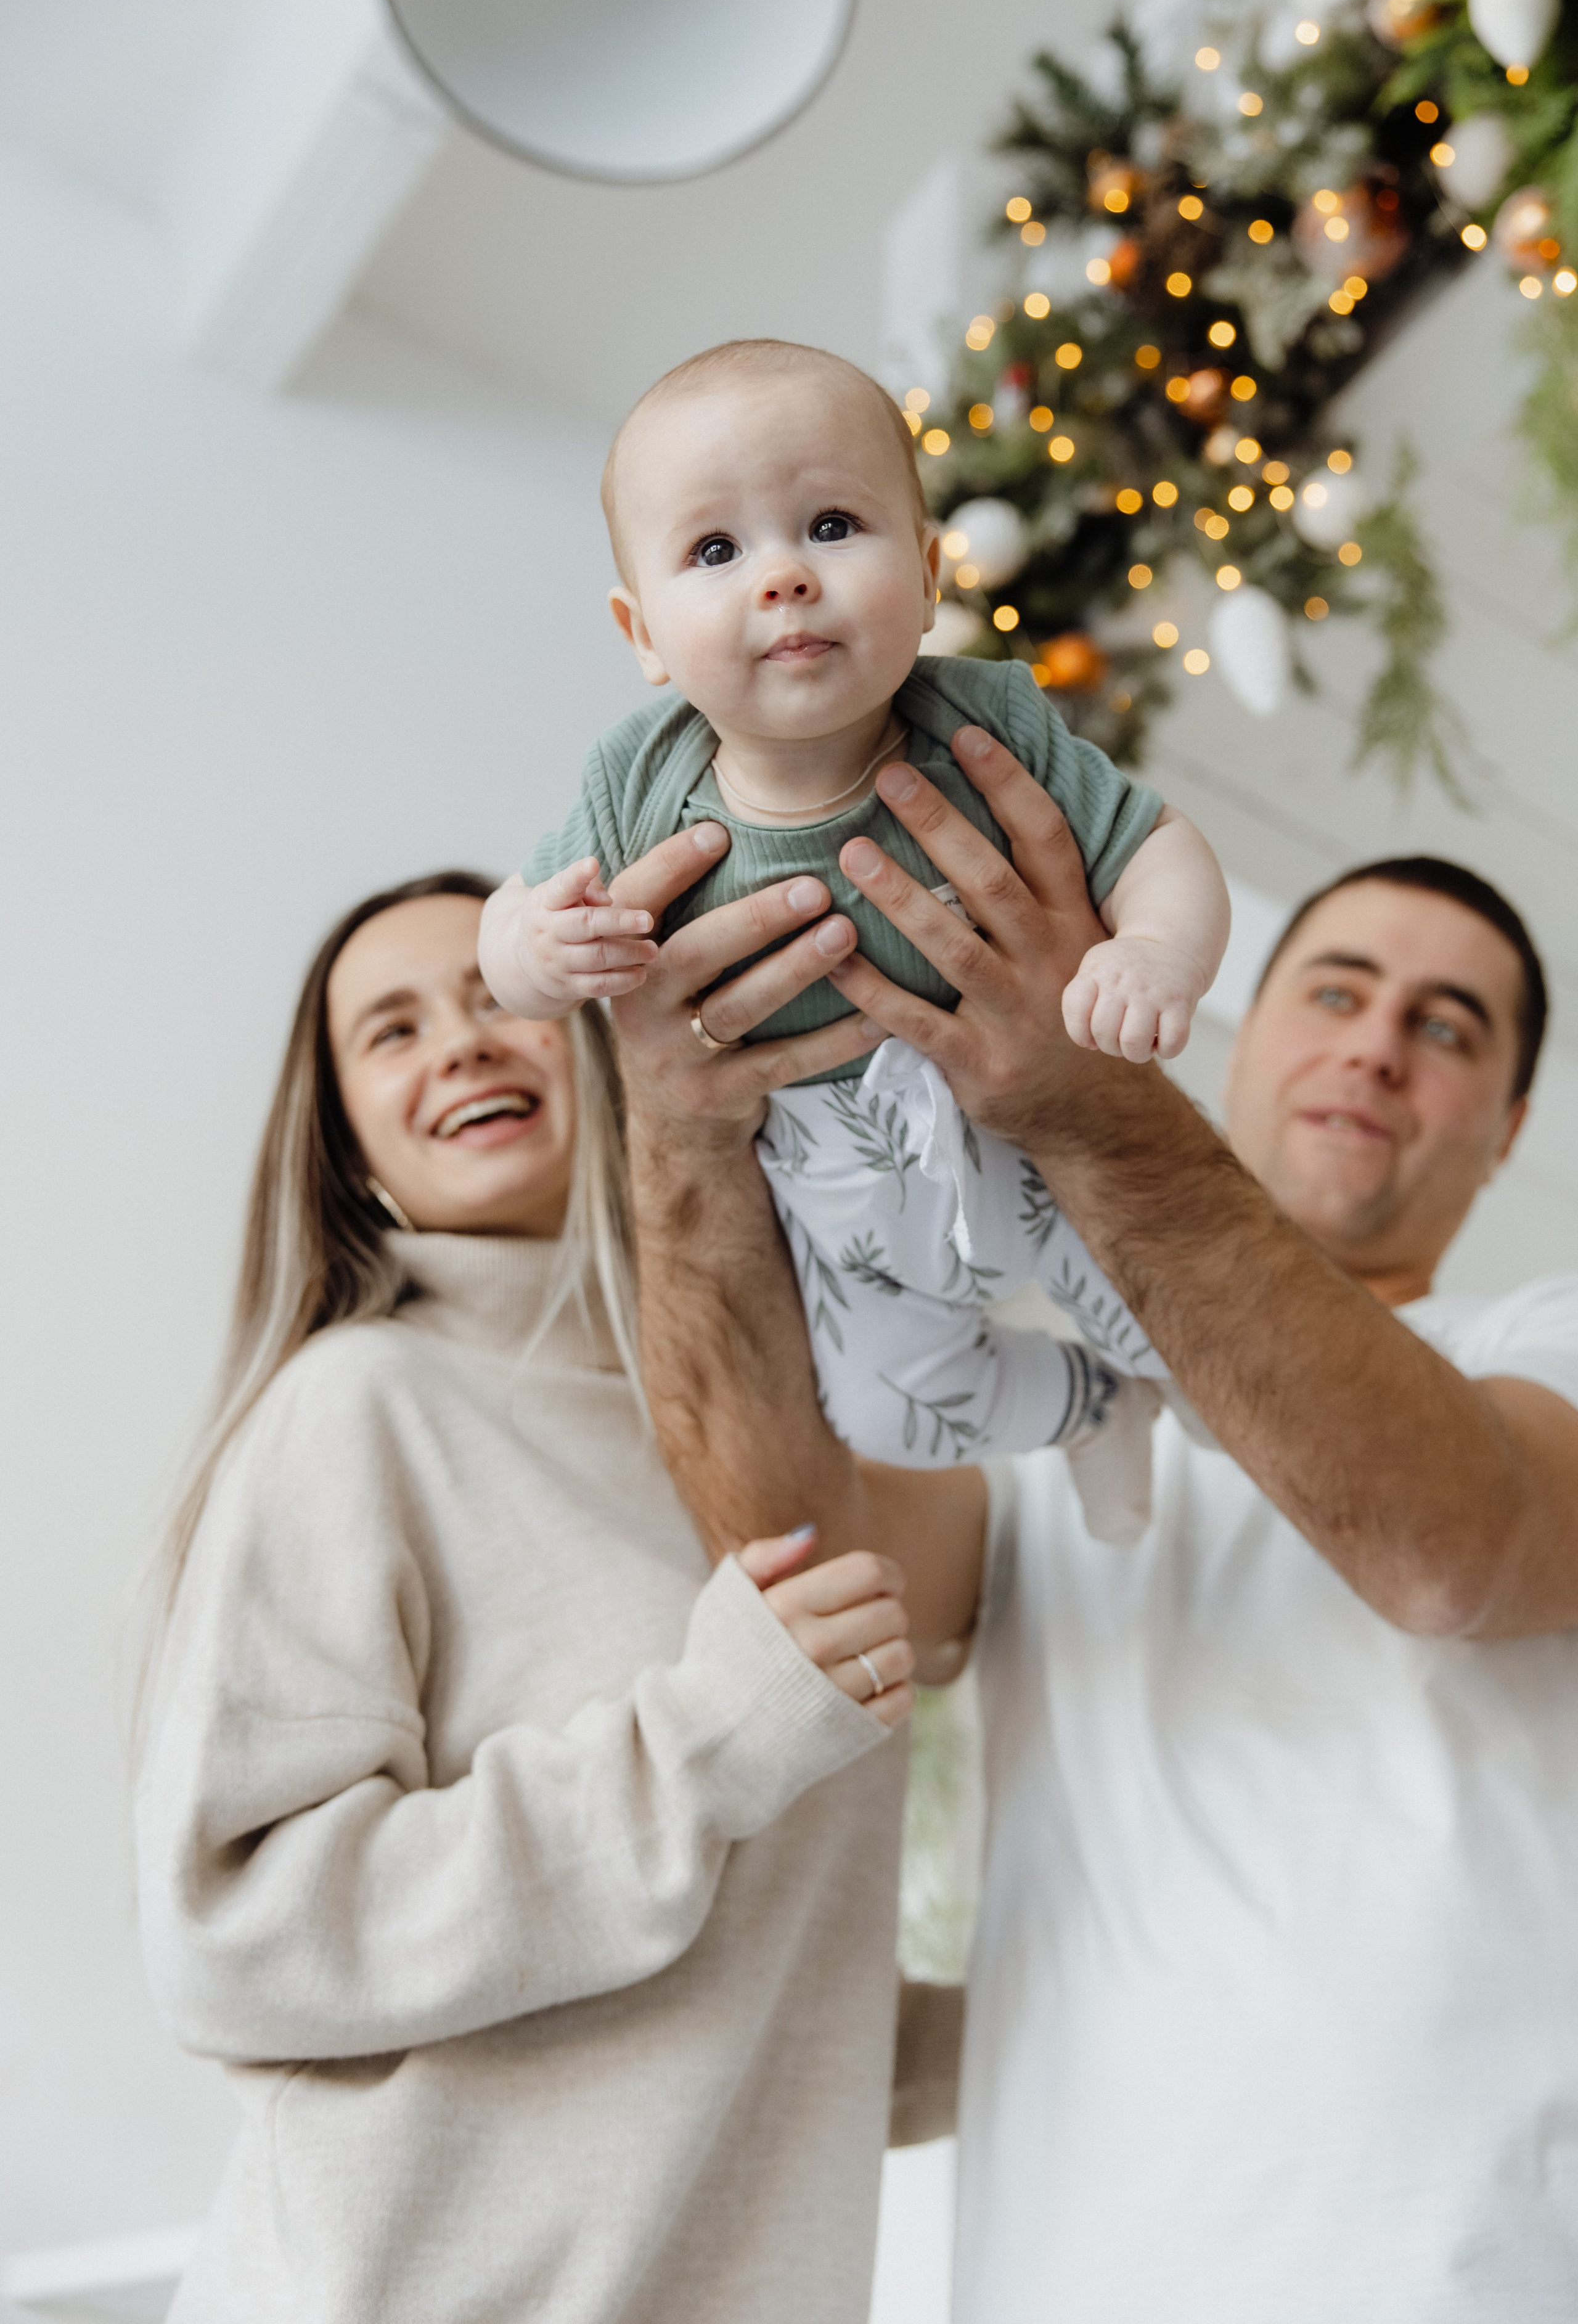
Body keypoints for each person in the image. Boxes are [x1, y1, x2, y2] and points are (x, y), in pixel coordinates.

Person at [609, 729, 1578, 2323]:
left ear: (1511, 1124)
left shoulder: (1539, 1344)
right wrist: (683, 1127)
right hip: (1080, 2270)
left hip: (1466, 2269)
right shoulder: (1044, 1389)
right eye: (1335, 993)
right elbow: (800, 1557)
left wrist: (1094, 1110)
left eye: (1443, 1026)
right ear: (1249, 1033)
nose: (1375, 1050)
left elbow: (1451, 1556)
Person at [133, 868, 920, 2324]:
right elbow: (233, 1942)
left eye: (500, 995)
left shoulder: (761, 1439)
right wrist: (705, 1743)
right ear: (348, 1146)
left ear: (603, 1046)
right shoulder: (359, 1407)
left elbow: (745, 1989)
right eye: (392, 1031)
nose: (462, 1043)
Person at [480, 338, 1229, 1519]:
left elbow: (1157, 845)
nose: (784, 576)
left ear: (927, 575)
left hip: (1040, 1142)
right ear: (643, 634)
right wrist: (533, 952)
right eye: (716, 550)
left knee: (1193, 1322)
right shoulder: (633, 788)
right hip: (841, 1194)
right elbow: (508, 930)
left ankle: (1196, 1396)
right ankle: (1089, 1407)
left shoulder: (988, 727)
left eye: (831, 526)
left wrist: (1154, 951)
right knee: (893, 1418)